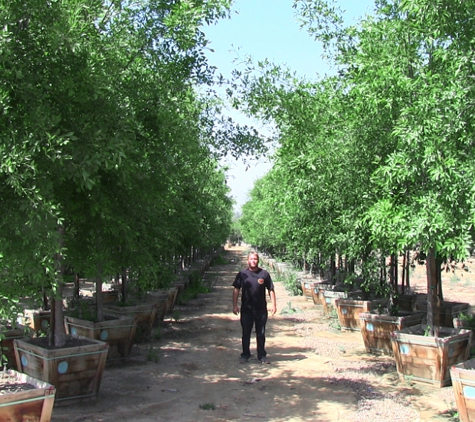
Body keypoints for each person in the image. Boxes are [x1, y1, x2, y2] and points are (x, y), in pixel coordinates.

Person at [232, 252, 277, 364]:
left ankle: (261, 355)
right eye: (251, 259)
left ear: (258, 260)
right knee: (246, 333)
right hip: (247, 309)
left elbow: (271, 289)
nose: (253, 261)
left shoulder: (264, 274)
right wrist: (234, 305)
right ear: (248, 260)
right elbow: (236, 289)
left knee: (260, 333)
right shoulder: (242, 274)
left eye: (255, 259)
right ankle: (245, 354)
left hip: (261, 310)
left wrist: (274, 305)